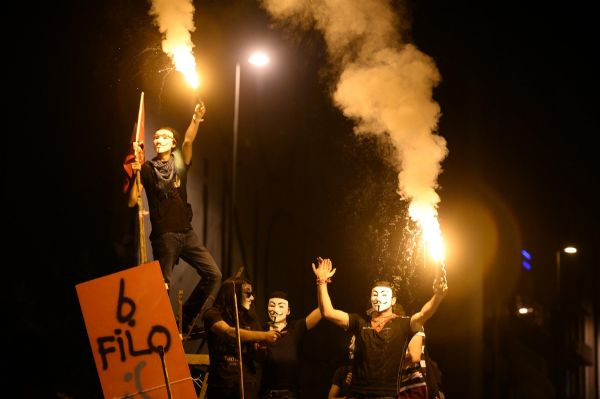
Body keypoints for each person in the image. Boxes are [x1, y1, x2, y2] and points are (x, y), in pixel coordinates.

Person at [128, 101, 222, 336]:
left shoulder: (178, 163)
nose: (159, 140)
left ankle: (183, 322)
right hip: (165, 236)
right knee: (162, 285)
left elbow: (189, 140)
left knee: (214, 274)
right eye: (156, 137)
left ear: (173, 143)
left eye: (165, 137)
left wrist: (196, 118)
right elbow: (132, 201)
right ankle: (159, 331)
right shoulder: (148, 169)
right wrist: (135, 173)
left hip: (186, 232)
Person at [312, 257, 448, 398]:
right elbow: (327, 312)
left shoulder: (403, 324)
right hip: (356, 394)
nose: (379, 298)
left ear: (393, 300)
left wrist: (438, 296)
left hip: (387, 395)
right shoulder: (359, 322)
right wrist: (321, 282)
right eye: (375, 294)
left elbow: (423, 314)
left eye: (384, 294)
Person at [203, 277, 283, 399]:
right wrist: (265, 335)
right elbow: (229, 333)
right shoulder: (213, 314)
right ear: (233, 294)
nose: (252, 298)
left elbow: (258, 357)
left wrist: (261, 348)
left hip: (248, 385)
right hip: (222, 385)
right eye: (248, 294)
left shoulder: (251, 318)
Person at [259, 290, 322, 398]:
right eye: (272, 305)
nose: (275, 310)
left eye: (281, 306)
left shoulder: (295, 328)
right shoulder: (260, 331)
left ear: (288, 311)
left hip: (289, 393)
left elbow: (322, 310)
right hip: (265, 392)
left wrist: (322, 283)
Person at [328, 335, 355, 399]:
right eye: (351, 342)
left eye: (354, 343)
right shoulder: (342, 371)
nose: (350, 347)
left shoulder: (373, 372)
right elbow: (331, 398)